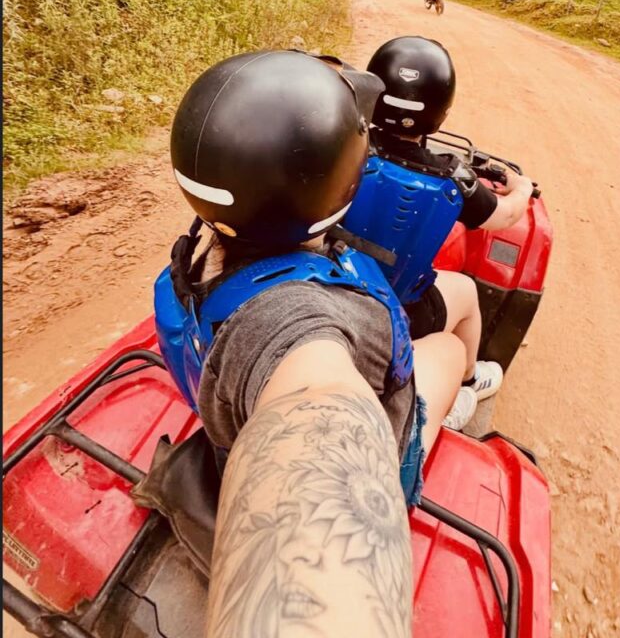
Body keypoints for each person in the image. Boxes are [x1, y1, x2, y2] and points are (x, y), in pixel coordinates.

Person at [155, 50, 467, 638]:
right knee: (450, 350)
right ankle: (461, 406)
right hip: (369, 442)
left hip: (229, 416)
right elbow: (317, 403)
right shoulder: (294, 324)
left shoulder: (197, 253)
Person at [344, 36, 534, 426]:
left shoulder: (345, 145)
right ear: (440, 113)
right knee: (465, 292)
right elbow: (505, 215)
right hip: (399, 311)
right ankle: (465, 384)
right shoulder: (453, 177)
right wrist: (523, 187)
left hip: (332, 284)